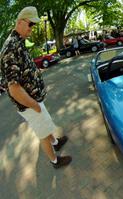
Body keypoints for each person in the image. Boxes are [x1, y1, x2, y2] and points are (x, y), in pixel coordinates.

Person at [0, 6, 72, 168]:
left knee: (46, 125)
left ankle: (55, 142)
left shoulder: (18, 40)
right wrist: (34, 106)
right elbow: (14, 88)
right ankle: (55, 161)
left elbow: (21, 69)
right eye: (30, 24)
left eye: (34, 24)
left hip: (34, 99)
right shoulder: (11, 47)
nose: (32, 28)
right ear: (19, 22)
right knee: (43, 132)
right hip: (29, 103)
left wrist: (33, 71)